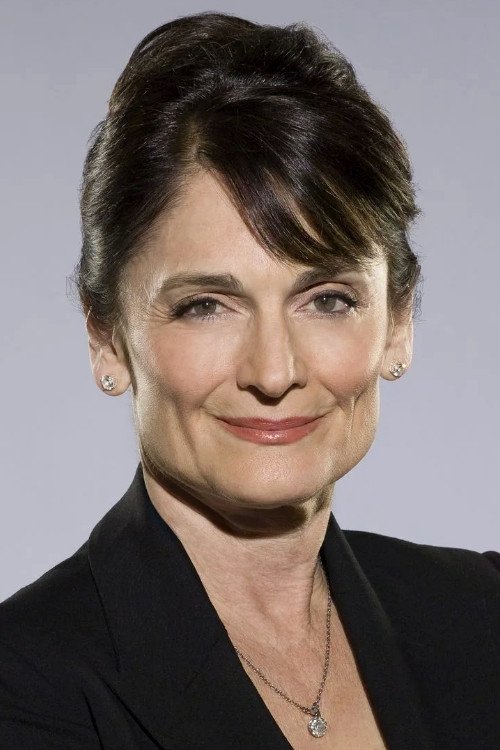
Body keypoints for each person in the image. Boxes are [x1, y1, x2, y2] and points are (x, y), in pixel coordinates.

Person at [1, 10, 499, 750]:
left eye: (327, 300)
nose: (274, 372)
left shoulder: (483, 617)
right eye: (206, 306)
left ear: (398, 322)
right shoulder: (24, 683)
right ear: (107, 338)